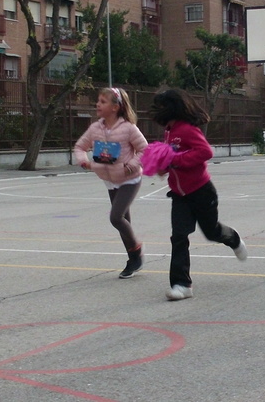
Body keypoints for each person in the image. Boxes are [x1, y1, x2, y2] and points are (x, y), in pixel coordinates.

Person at [149, 88, 247, 301]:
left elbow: (205, 152)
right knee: (179, 237)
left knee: (212, 233)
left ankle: (233, 238)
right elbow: (172, 157)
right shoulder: (168, 131)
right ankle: (182, 284)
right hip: (179, 195)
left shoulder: (187, 129)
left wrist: (176, 161)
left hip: (201, 191)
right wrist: (161, 166)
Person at [74, 87, 148, 279]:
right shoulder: (95, 128)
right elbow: (80, 146)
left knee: (116, 218)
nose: (98, 104)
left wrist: (131, 165)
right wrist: (84, 161)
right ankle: (133, 260)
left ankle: (137, 251)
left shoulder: (128, 128)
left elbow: (144, 150)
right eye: (98, 101)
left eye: (103, 101)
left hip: (129, 179)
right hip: (109, 180)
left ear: (115, 107)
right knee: (125, 221)